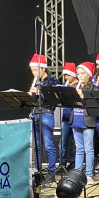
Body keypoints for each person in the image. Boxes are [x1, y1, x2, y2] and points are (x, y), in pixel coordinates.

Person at [28, 54, 60, 182]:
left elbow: (54, 99)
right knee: (36, 146)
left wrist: (39, 92)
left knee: (48, 145)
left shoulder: (52, 80)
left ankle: (51, 173)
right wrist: (30, 96)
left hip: (47, 113)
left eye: (35, 70)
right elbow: (34, 99)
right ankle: (37, 172)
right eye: (32, 70)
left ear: (43, 68)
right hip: (35, 113)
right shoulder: (36, 81)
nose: (33, 73)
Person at [71, 62, 99, 185]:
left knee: (89, 149)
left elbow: (94, 106)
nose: (79, 76)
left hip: (87, 121)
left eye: (82, 73)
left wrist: (83, 97)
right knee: (79, 149)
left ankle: (89, 175)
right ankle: (77, 173)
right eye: (78, 74)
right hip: (75, 120)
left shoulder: (93, 88)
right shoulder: (76, 87)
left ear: (89, 74)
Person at [60, 62, 78, 171]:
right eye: (65, 75)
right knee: (63, 141)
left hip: (75, 117)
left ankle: (73, 162)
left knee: (75, 142)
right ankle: (62, 163)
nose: (67, 77)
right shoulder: (63, 85)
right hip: (65, 118)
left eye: (68, 75)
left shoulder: (78, 85)